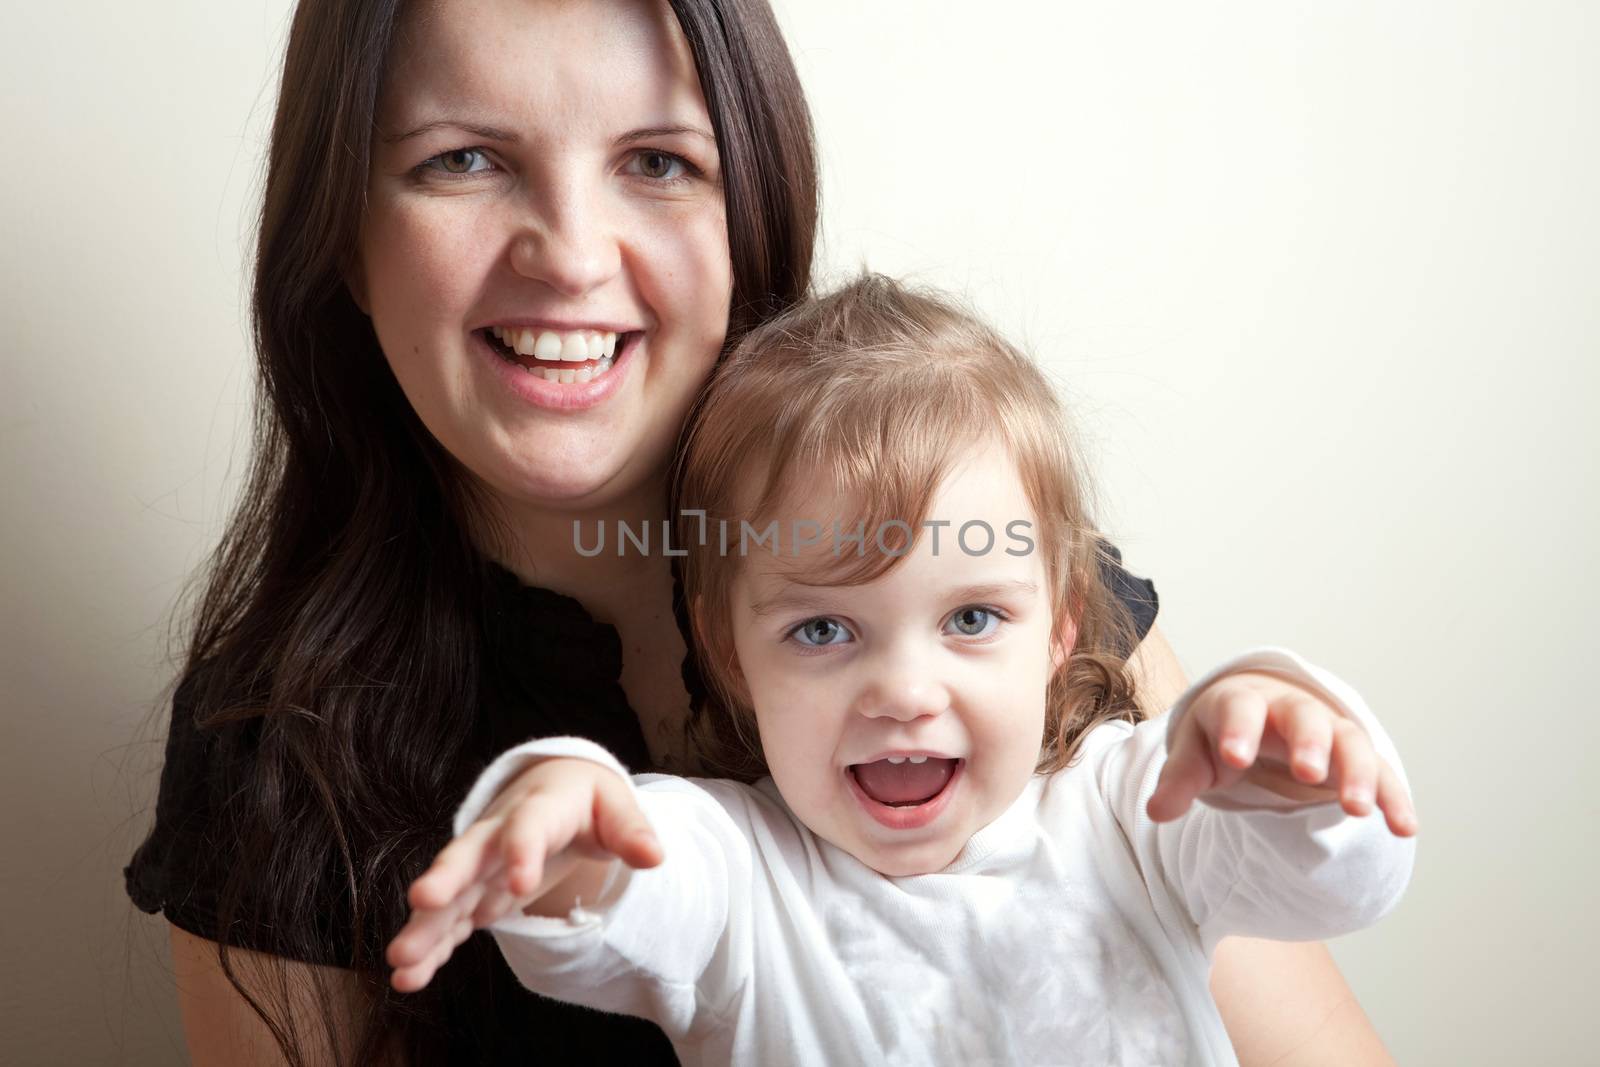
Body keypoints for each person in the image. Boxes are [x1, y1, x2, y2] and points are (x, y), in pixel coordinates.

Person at [125, 0, 1408, 1063]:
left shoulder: (985, 544)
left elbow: (1302, 925)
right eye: (463, 157)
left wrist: (1299, 746)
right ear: (344, 237)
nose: (572, 255)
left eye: (657, 161)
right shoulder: (275, 739)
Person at [385, 276, 1418, 1065]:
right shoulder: (741, 875)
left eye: (971, 616)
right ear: (727, 651)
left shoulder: (1129, 810)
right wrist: (560, 823)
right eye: (825, 631)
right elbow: (609, 897)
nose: (904, 692)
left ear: (1060, 626)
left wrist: (1290, 765)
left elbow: (1330, 880)